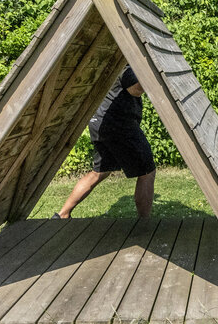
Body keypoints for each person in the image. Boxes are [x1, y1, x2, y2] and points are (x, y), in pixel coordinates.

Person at [54, 65, 156, 219]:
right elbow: (136, 88)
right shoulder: (126, 66)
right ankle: (145, 222)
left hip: (99, 121)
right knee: (147, 172)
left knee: (99, 172)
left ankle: (63, 214)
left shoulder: (107, 63)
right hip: (119, 124)